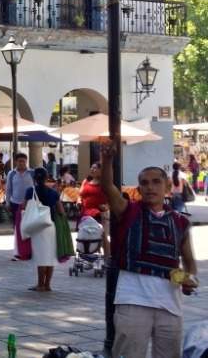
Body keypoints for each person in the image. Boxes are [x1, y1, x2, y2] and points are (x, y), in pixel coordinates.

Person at [98, 146, 198, 358]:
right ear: (139, 188)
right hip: (133, 300)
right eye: (144, 183)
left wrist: (190, 279)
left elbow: (189, 261)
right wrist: (106, 159)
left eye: (156, 182)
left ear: (167, 186)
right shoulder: (128, 210)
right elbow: (107, 186)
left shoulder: (180, 222)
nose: (150, 187)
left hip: (170, 304)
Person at [24, 167, 64, 292]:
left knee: (41, 257)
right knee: (50, 256)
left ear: (34, 178)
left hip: (37, 227)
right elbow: (61, 211)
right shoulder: (53, 193)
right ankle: (47, 285)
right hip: (50, 226)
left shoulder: (30, 191)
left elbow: (24, 207)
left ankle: (40, 284)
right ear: (47, 178)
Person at [78, 163, 111, 257]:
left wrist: (107, 206)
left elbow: (111, 198)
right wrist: (79, 200)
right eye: (91, 167)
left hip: (98, 213)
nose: (92, 169)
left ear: (101, 170)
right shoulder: (86, 181)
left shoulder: (104, 183)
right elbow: (80, 195)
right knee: (85, 234)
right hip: (85, 213)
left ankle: (107, 258)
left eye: (95, 168)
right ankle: (87, 254)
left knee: (102, 236)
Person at [6, 153, 34, 261]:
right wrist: (7, 202)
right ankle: (18, 252)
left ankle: (30, 251)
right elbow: (8, 189)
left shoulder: (32, 173)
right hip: (15, 204)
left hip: (30, 205)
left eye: (23, 161)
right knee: (17, 229)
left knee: (29, 228)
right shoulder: (11, 174)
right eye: (19, 161)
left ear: (26, 161)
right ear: (16, 162)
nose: (21, 163)